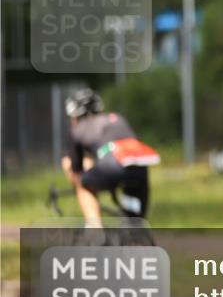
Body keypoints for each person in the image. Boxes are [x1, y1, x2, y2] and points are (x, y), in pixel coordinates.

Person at [60, 88, 159, 227]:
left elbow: (77, 172)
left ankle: (95, 229)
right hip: (140, 165)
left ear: (74, 115)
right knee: (135, 224)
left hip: (113, 165)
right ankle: (136, 233)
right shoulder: (116, 118)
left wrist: (72, 172)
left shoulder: (78, 129)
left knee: (83, 184)